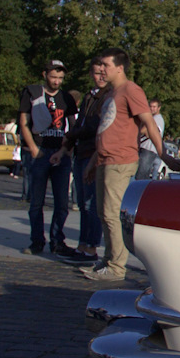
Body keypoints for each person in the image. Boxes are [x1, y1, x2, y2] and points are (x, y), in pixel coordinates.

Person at [83, 47, 165, 283]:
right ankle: (108, 260)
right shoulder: (110, 93)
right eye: (100, 65)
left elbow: (149, 123)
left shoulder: (131, 90)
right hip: (104, 159)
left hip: (120, 160)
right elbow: (104, 131)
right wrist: (92, 163)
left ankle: (117, 267)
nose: (101, 69)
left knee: (111, 214)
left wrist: (162, 153)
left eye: (106, 65)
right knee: (102, 213)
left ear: (119, 68)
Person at [17, 61, 78, 258]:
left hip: (60, 152)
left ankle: (57, 240)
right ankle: (37, 241)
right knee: (36, 201)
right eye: (53, 77)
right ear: (45, 75)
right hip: (40, 150)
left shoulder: (66, 98)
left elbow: (73, 126)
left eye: (60, 78)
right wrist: (33, 148)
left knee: (61, 202)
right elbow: (24, 122)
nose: (57, 81)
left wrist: (66, 149)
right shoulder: (32, 93)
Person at [66, 66, 108, 260]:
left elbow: (93, 126)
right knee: (83, 202)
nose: (100, 76)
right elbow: (82, 122)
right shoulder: (89, 96)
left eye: (103, 72)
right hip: (81, 151)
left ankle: (91, 246)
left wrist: (71, 133)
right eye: (96, 72)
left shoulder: (108, 96)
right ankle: (83, 245)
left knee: (92, 204)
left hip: (94, 152)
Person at [136, 99, 169, 180]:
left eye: (154, 107)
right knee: (141, 174)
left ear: (159, 108)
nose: (151, 108)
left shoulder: (157, 118)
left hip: (149, 150)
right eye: (150, 106)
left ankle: (140, 192)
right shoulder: (153, 117)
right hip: (145, 149)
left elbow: (144, 130)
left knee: (141, 176)